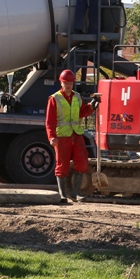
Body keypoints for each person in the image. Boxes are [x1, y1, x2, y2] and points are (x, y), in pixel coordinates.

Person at [45, 69, 99, 203]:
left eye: (70, 83)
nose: (68, 85)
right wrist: (52, 136)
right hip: (62, 136)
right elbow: (50, 120)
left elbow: (81, 113)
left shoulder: (77, 97)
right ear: (61, 83)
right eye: (66, 83)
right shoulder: (54, 98)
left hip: (77, 134)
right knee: (62, 165)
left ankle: (75, 194)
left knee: (82, 162)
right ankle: (63, 195)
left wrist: (91, 106)